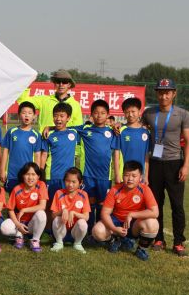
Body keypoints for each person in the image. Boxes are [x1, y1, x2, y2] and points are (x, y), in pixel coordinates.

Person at [142, 78, 189, 257]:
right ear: (156, 93)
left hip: (174, 163)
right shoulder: (149, 113)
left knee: (177, 205)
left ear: (174, 93)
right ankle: (159, 239)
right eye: (160, 92)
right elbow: (138, 129)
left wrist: (186, 165)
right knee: (156, 204)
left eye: (167, 92)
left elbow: (188, 142)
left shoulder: (182, 114)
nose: (164, 96)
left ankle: (178, 242)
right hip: (155, 163)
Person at [92, 160, 159, 261]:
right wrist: (114, 229)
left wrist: (132, 214)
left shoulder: (145, 189)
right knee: (97, 231)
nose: (130, 179)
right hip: (117, 222)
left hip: (134, 225)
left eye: (134, 176)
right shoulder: (115, 190)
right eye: (127, 175)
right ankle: (114, 241)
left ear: (140, 177)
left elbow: (155, 212)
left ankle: (141, 249)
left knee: (152, 223)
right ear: (123, 176)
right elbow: (105, 213)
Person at [75, 99, 118, 227]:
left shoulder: (112, 132)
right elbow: (65, 128)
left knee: (103, 204)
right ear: (91, 114)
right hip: (87, 175)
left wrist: (118, 125)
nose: (99, 116)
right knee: (89, 203)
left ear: (108, 115)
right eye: (96, 113)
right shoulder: (85, 129)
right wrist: (50, 127)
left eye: (103, 113)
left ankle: (100, 229)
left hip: (104, 176)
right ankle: (88, 231)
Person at [0, 162, 48, 252]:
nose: (30, 177)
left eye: (33, 174)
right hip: (19, 222)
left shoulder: (41, 185)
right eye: (27, 174)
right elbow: (10, 209)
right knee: (4, 227)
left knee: (41, 214)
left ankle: (35, 240)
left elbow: (42, 206)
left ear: (38, 176)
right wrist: (18, 225)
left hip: (32, 224)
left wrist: (24, 210)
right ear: (23, 176)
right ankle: (19, 236)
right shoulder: (17, 189)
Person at [16, 69, 83, 131]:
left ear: (69, 84)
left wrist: (51, 128)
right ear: (54, 84)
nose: (61, 84)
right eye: (58, 81)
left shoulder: (75, 105)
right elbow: (23, 102)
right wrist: (26, 84)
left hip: (64, 139)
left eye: (64, 82)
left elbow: (78, 128)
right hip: (44, 139)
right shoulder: (43, 100)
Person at [0, 101, 45, 193]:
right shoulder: (12, 132)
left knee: (27, 197)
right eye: (24, 113)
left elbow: (37, 156)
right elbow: (5, 152)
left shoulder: (36, 135)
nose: (26, 115)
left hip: (29, 175)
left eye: (30, 113)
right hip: (12, 174)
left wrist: (36, 174)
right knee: (13, 196)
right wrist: (2, 170)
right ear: (19, 115)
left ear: (34, 116)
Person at [42, 103, 81, 201]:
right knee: (50, 203)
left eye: (62, 116)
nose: (58, 119)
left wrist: (49, 126)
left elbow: (92, 127)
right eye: (55, 116)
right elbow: (44, 154)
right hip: (51, 176)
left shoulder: (74, 132)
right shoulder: (48, 134)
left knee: (67, 202)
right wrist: (41, 172)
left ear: (68, 118)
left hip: (69, 177)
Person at [50, 167, 90, 254]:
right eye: (68, 181)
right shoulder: (59, 193)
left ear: (80, 183)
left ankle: (78, 243)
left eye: (74, 182)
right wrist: (62, 211)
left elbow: (86, 217)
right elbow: (53, 216)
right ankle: (59, 242)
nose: (70, 184)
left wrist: (74, 213)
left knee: (82, 222)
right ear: (64, 181)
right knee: (57, 219)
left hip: (75, 232)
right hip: (62, 231)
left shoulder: (84, 195)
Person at [114, 97, 150, 184]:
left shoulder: (145, 132)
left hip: (140, 175)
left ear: (139, 112)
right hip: (124, 175)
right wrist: (117, 175)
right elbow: (116, 154)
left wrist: (146, 176)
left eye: (133, 111)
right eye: (127, 112)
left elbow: (146, 156)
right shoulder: (120, 130)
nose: (130, 114)